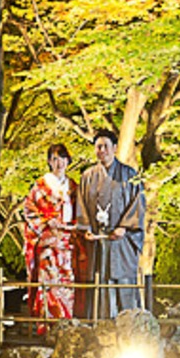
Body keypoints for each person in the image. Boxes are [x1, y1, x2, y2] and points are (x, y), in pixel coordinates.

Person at [76, 129, 146, 318]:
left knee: (123, 281)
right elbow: (81, 206)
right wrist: (86, 229)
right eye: (98, 146)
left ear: (115, 148)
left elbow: (138, 204)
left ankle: (130, 327)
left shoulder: (130, 174)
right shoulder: (87, 176)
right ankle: (98, 328)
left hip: (122, 241)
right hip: (97, 242)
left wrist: (124, 227)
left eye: (106, 146)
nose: (102, 150)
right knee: (99, 282)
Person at [23, 143, 79, 329]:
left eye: (62, 158)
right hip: (48, 243)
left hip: (66, 243)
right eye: (54, 158)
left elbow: (81, 210)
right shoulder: (40, 186)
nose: (59, 163)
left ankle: (65, 324)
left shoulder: (73, 186)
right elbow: (29, 209)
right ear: (49, 161)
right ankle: (46, 325)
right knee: (48, 283)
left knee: (67, 284)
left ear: (68, 160)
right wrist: (47, 221)